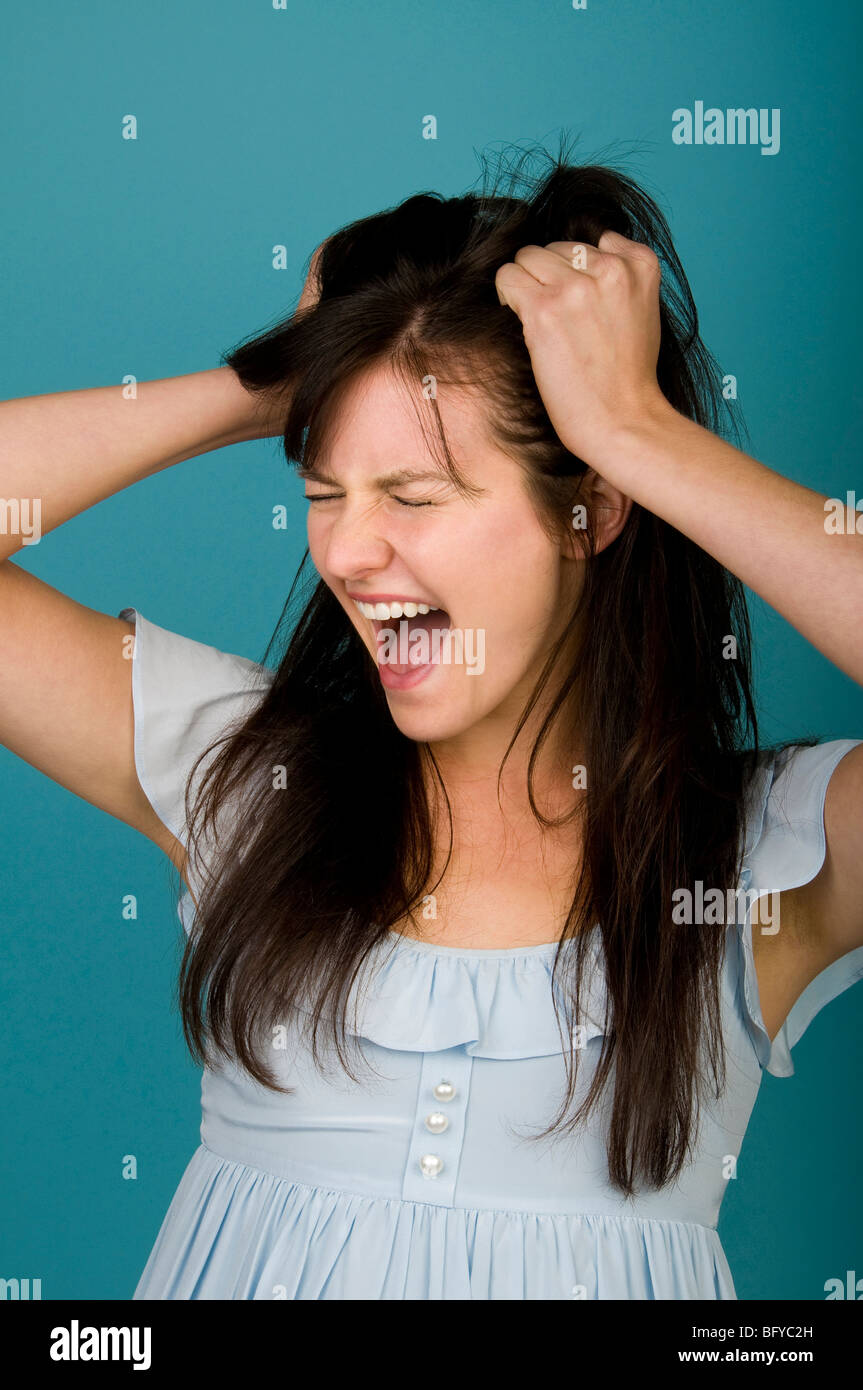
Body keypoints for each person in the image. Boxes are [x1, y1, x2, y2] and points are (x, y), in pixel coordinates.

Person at [2, 147, 861, 1301]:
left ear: (588, 511)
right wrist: (285, 379)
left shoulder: (756, 861)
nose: (348, 555)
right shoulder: (250, 781)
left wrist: (637, 432)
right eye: (322, 494)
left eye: (411, 496)